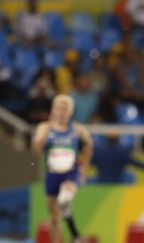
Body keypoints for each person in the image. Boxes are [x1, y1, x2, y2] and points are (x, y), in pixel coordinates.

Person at [32, 95, 93, 243]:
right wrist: (47, 131)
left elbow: (89, 145)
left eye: (65, 109)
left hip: (70, 173)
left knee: (64, 199)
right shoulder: (44, 127)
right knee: (54, 218)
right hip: (52, 175)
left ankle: (75, 235)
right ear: (53, 110)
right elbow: (37, 149)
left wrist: (84, 168)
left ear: (70, 112)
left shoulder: (77, 129)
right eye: (59, 109)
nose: (62, 112)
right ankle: (67, 238)